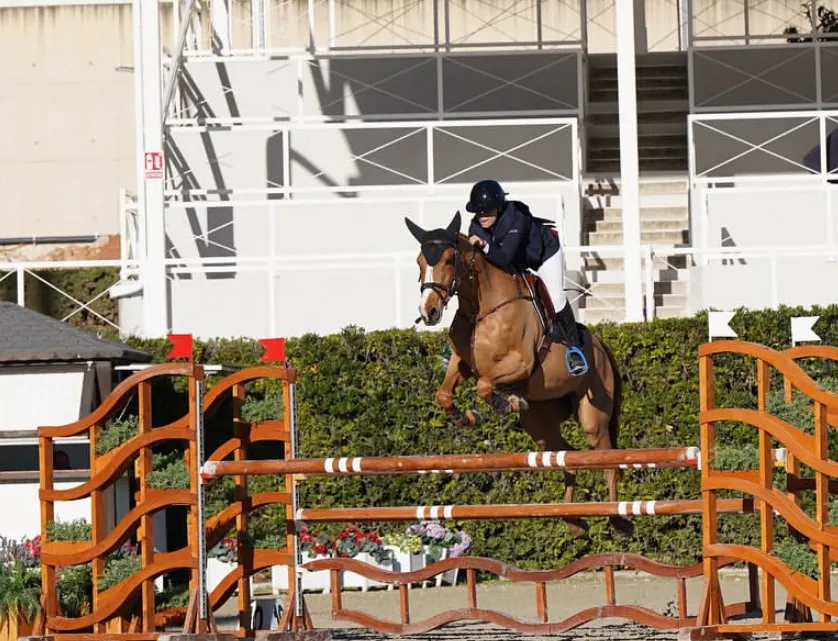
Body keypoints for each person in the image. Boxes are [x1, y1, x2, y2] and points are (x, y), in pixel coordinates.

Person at [464, 179, 588, 377]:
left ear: (498, 207)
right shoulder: (475, 226)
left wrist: (484, 246)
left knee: (555, 298)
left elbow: (503, 257)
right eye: (478, 212)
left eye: (487, 211)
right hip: (517, 260)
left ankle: (575, 348)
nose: (482, 217)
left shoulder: (516, 219)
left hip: (544, 255)